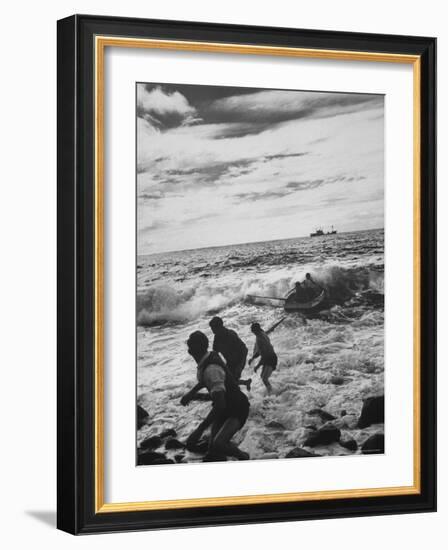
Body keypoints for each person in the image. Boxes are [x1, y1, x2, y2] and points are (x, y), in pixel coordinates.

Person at [180, 331, 250, 461]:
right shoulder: (208, 358)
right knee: (213, 451)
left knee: (219, 444)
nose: (188, 348)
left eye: (190, 345)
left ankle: (244, 457)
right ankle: (227, 450)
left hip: (237, 407)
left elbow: (220, 404)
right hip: (225, 406)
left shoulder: (211, 369)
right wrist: (191, 393)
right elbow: (205, 380)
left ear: (194, 350)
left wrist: (199, 430)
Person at [209, 316, 252, 391]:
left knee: (231, 385)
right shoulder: (217, 337)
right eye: (212, 329)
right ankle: (246, 382)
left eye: (213, 328)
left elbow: (244, 350)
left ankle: (241, 394)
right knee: (225, 382)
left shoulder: (231, 335)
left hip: (239, 362)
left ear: (220, 327)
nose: (212, 331)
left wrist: (240, 366)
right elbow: (215, 352)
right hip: (230, 363)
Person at [248, 322, 278, 394]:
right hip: (270, 357)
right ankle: (271, 390)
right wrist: (253, 358)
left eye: (253, 331)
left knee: (264, 379)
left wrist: (257, 366)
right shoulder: (262, 333)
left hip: (270, 359)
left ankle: (271, 393)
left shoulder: (260, 339)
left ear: (255, 331)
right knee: (263, 377)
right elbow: (259, 351)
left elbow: (263, 355)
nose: (252, 332)